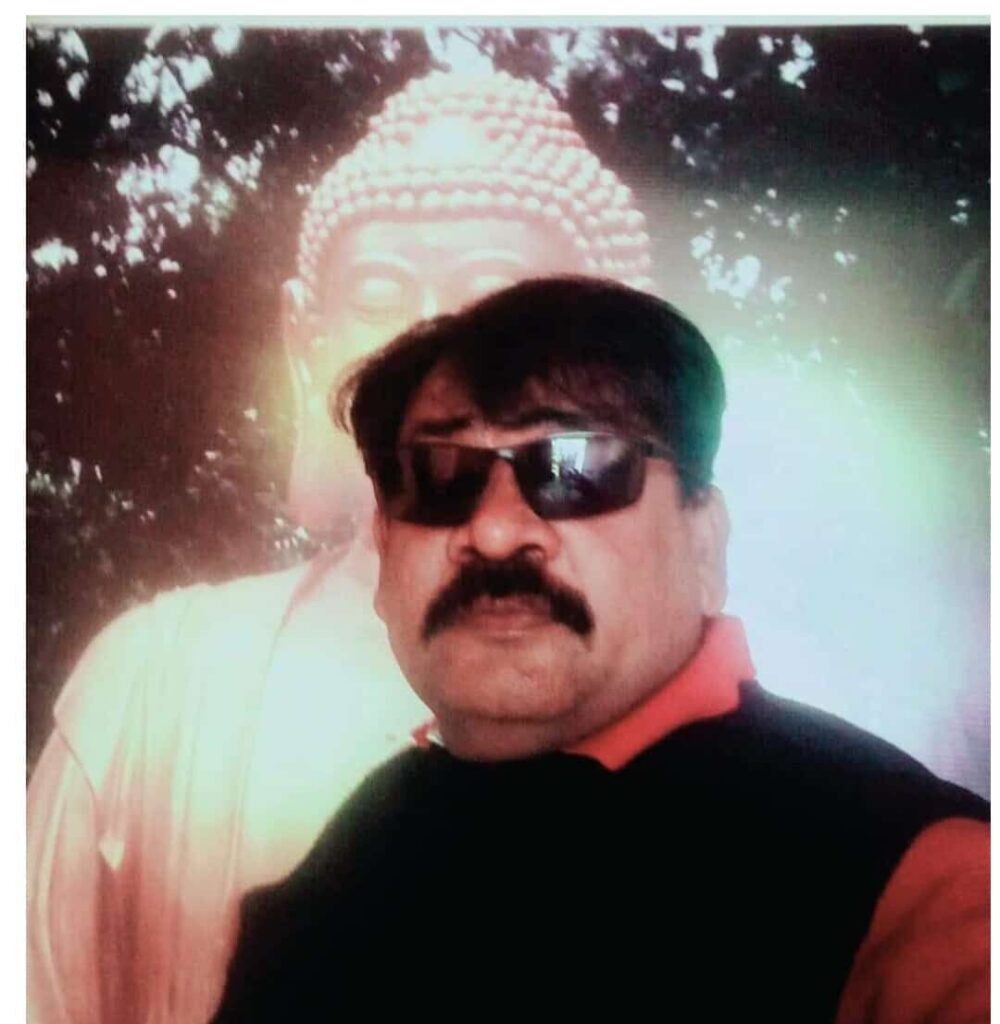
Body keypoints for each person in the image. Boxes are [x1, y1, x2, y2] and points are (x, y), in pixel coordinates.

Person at [26, 72, 654, 1024]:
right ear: (304, 340)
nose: (430, 336)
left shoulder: (702, 716)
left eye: (497, 297)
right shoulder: (155, 679)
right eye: (377, 291)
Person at [212, 277, 989, 1022]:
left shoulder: (917, 878)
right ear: (385, 553)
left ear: (704, 542)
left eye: (575, 469)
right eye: (439, 476)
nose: (495, 531)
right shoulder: (367, 836)